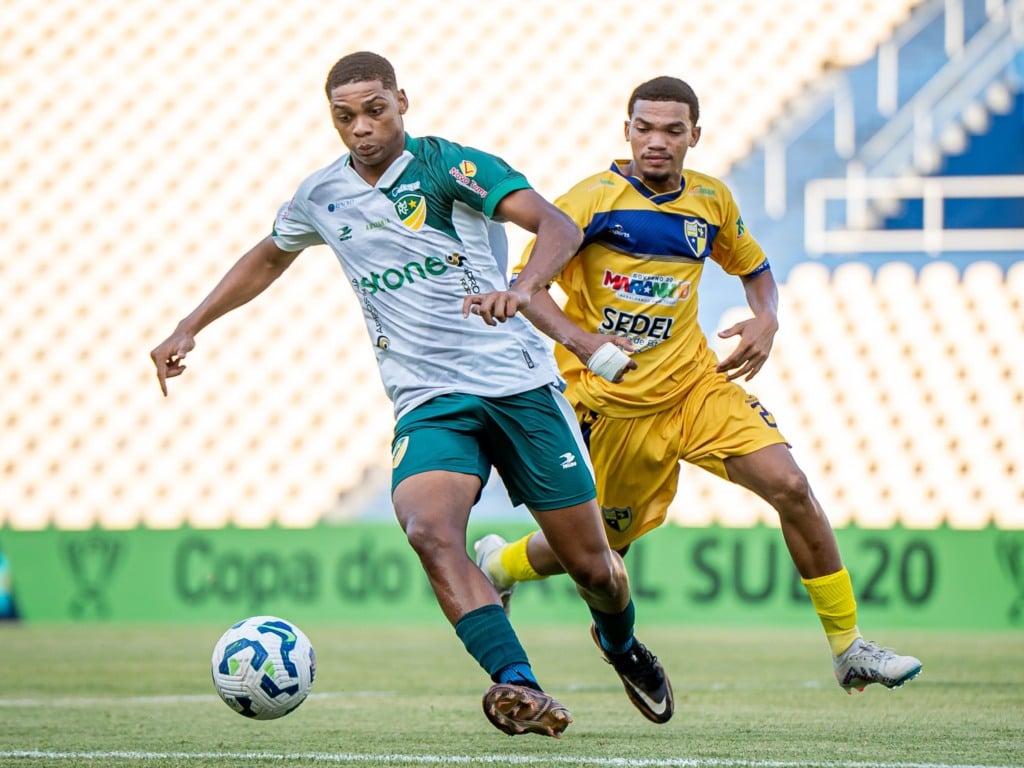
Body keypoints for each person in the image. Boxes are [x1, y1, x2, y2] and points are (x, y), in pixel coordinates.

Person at [150, 52, 673, 738]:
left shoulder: (449, 167)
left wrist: (521, 290)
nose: (361, 129)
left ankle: (621, 645)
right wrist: (190, 324)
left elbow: (558, 227)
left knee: (594, 567)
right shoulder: (322, 195)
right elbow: (268, 256)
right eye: (345, 117)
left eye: (375, 111)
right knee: (428, 529)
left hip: (519, 386)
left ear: (403, 102)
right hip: (429, 399)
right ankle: (517, 684)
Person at [469, 75, 923, 694]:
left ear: (695, 137)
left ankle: (849, 649)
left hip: (695, 388)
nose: (656, 141)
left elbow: (755, 269)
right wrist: (585, 342)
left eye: (672, 131)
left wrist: (767, 316)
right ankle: (499, 562)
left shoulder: (710, 200)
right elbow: (528, 291)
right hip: (614, 409)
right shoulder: (590, 201)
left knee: (790, 484)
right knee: (597, 556)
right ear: (626, 130)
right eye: (644, 128)